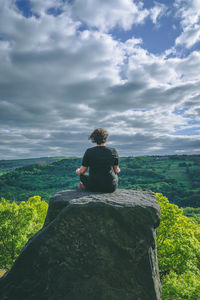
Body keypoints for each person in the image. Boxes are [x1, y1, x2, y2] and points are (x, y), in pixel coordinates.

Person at [76, 128, 120, 192]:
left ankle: (85, 186)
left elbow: (82, 171)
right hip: (110, 187)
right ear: (106, 138)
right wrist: (118, 170)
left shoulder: (89, 151)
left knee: (82, 175)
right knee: (115, 176)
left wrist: (77, 171)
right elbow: (116, 170)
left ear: (94, 139)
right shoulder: (113, 151)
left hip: (93, 186)